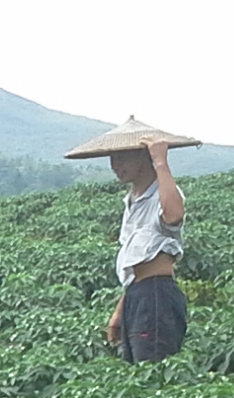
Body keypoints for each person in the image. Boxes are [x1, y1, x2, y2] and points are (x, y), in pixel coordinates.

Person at [70, 117, 194, 362]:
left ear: (142, 156)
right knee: (136, 366)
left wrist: (161, 162)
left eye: (122, 158)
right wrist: (120, 311)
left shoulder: (164, 192)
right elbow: (135, 267)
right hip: (137, 295)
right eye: (112, 159)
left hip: (157, 296)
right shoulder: (132, 200)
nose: (115, 166)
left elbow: (174, 215)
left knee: (152, 368)